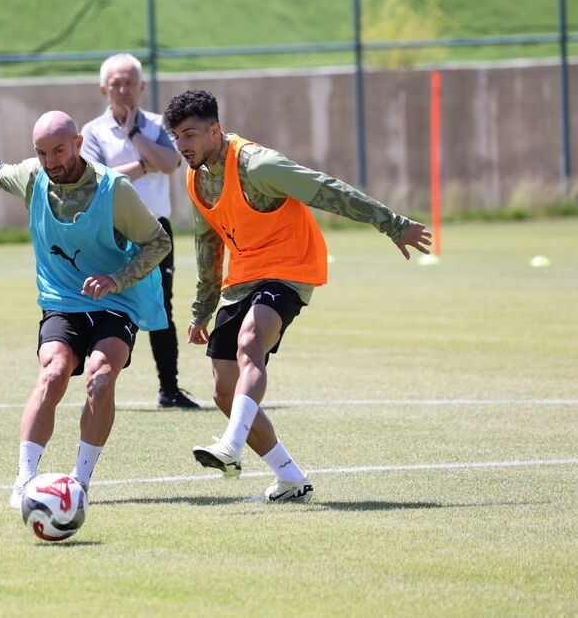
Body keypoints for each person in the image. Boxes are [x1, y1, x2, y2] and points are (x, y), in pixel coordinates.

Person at [162, 89, 432, 503]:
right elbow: (208, 244)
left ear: (215, 130)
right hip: (243, 278)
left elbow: (327, 189)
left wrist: (392, 223)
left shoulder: (258, 164)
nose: (182, 146)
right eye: (177, 137)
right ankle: (290, 478)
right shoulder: (195, 176)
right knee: (222, 389)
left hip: (290, 268)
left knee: (251, 342)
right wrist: (202, 308)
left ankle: (230, 448)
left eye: (191, 135)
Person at [0, 100, 171, 508]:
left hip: (117, 300)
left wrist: (116, 279)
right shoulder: (33, 177)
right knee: (54, 372)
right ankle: (24, 481)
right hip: (62, 300)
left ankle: (80, 481)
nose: (50, 160)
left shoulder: (115, 190)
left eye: (58, 150)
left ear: (77, 143)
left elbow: (159, 242)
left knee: (100, 375)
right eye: (41, 152)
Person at [80, 53, 197, 410]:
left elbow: (172, 162)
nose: (124, 89)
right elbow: (97, 180)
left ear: (142, 86)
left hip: (155, 230)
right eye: (116, 83)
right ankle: (98, 383)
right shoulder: (92, 132)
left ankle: (169, 389)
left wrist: (134, 134)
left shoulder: (159, 124)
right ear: (103, 89)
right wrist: (145, 165)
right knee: (105, 303)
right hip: (111, 231)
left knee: (161, 305)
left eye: (130, 82)